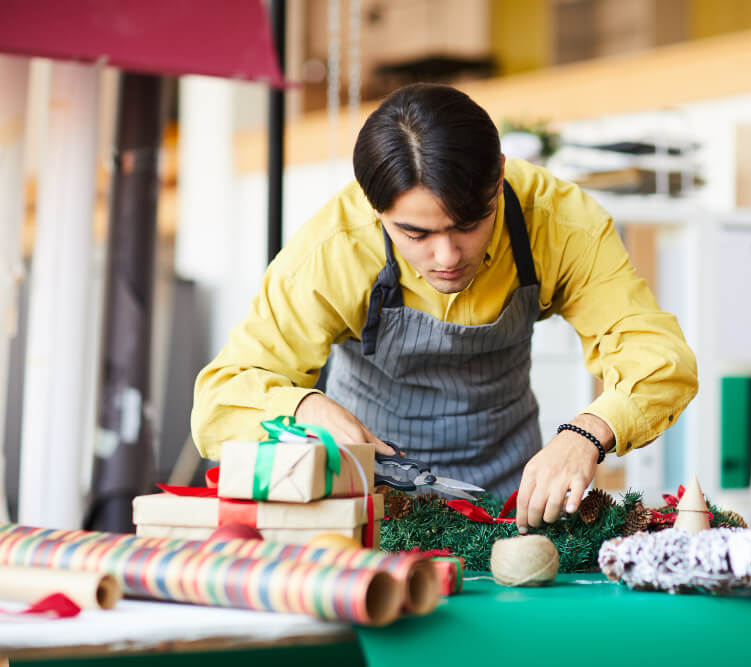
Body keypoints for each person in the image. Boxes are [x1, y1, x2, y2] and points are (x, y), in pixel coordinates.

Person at [191, 83, 698, 532]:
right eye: (416, 234)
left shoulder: (562, 223)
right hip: (367, 503)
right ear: (374, 206)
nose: (447, 256)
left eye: (469, 224)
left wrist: (586, 434)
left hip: (513, 502)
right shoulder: (333, 249)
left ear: (498, 177)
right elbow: (219, 400)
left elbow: (657, 356)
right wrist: (305, 406)